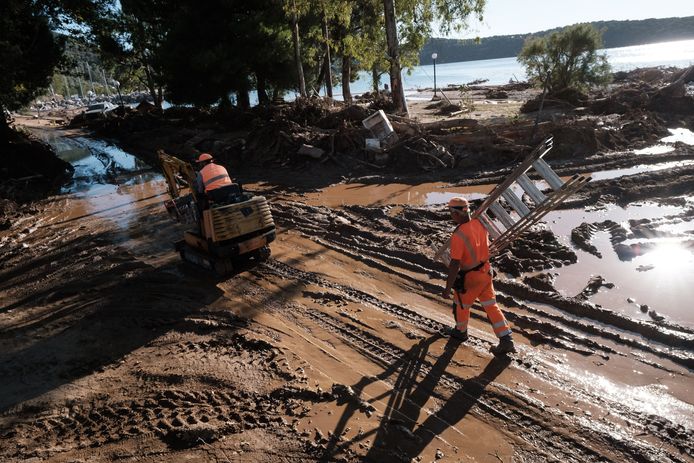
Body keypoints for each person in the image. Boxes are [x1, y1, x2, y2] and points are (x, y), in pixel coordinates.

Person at [441, 197, 516, 355]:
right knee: (491, 305)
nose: (451, 216)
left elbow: (455, 264)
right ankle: (506, 339)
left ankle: (461, 332)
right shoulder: (479, 224)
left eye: (451, 213)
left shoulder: (459, 234)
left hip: (471, 278)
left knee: (460, 304)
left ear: (456, 213)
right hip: (486, 271)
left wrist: (448, 287)